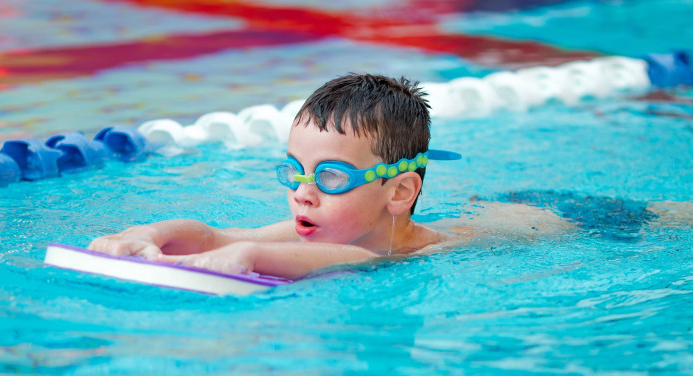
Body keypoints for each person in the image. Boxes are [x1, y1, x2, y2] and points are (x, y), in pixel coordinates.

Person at [88, 73, 576, 279]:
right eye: (295, 172)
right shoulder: (318, 223)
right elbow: (219, 235)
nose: (303, 194)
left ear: (400, 192)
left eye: (331, 177)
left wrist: (253, 257)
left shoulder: (405, 249)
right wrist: (146, 235)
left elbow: (349, 259)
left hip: (563, 221)